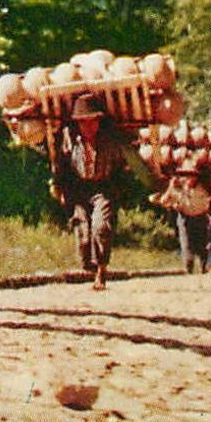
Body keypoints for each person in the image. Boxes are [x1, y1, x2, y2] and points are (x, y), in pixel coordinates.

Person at [52, 93, 126, 290]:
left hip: (104, 188)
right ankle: (90, 264)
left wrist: (117, 191)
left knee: (101, 227)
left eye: (92, 121)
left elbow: (121, 167)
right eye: (83, 122)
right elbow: (60, 165)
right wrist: (59, 188)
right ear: (77, 123)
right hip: (78, 189)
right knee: (83, 235)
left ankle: (102, 271)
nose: (88, 126)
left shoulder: (111, 140)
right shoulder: (69, 138)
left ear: (99, 121)